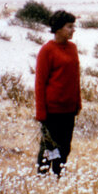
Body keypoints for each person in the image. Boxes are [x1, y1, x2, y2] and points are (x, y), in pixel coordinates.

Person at [35, 10, 81, 176]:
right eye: (69, 27)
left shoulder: (72, 48)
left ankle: (58, 177)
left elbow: (75, 78)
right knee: (49, 147)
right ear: (58, 29)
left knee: (64, 147)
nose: (73, 30)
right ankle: (42, 178)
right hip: (52, 110)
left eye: (73, 26)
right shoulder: (47, 51)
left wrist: (78, 103)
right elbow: (40, 83)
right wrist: (41, 112)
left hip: (69, 110)